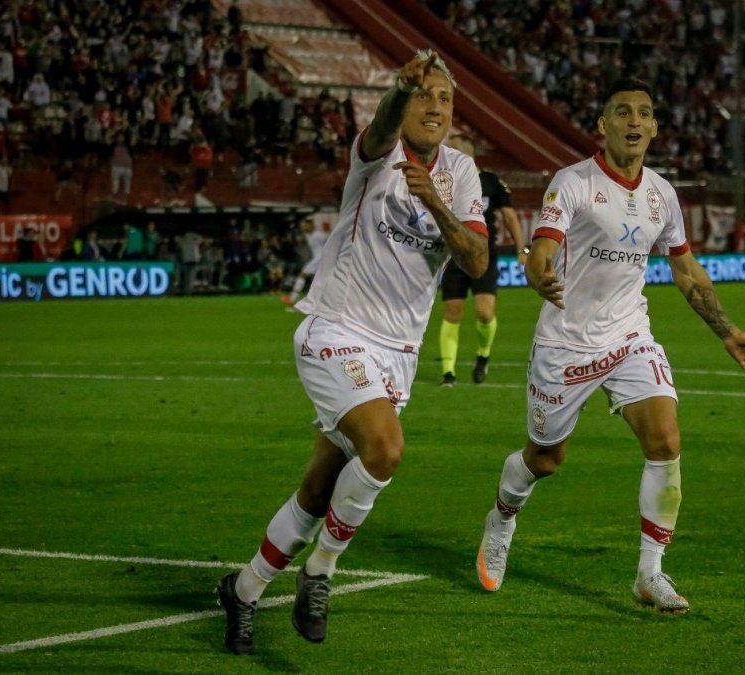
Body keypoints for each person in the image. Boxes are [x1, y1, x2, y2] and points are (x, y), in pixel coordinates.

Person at [216, 50, 488, 653]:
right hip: (337, 329)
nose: (435, 107)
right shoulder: (378, 154)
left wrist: (436, 203)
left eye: (444, 98)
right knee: (385, 449)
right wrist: (398, 90)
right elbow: (382, 124)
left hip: (399, 354)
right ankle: (321, 571)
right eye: (424, 95)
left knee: (318, 491)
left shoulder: (462, 172)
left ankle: (244, 589)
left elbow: (475, 260)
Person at [474, 79, 745, 614]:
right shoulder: (573, 182)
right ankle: (502, 518)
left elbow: (686, 271)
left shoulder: (663, 194)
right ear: (603, 125)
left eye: (644, 113)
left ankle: (649, 574)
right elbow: (543, 249)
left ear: (654, 127)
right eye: (622, 112)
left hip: (630, 335)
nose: (634, 120)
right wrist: (539, 273)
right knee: (546, 459)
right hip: (566, 344)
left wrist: (726, 331)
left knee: (665, 440)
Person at [439, 134, 527, 386]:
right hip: (453, 254)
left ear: (467, 154)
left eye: (453, 150)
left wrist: (522, 248)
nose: (447, 154)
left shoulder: (489, 181)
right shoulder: (443, 181)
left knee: (485, 312)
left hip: (483, 253)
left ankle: (483, 356)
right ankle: (448, 373)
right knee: (452, 311)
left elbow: (509, 216)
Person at [283, 216, 330, 307]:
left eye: (307, 225)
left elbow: (330, 242)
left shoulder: (319, 235)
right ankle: (322, 300)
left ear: (312, 225)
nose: (305, 227)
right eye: (304, 225)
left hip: (319, 259)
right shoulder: (309, 236)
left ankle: (292, 298)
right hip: (319, 259)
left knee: (303, 275)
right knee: (321, 280)